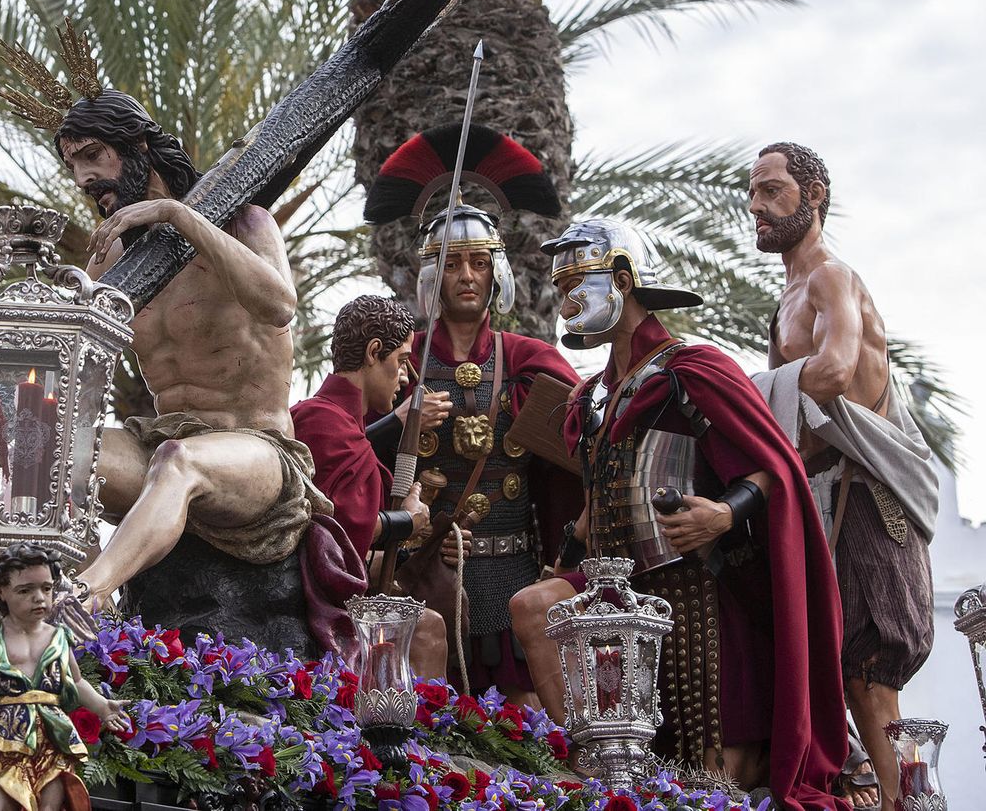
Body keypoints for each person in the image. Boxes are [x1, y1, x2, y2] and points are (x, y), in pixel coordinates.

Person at [509, 218, 848, 810]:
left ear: (622, 279)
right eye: (559, 288)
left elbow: (775, 466)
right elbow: (597, 502)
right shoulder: (592, 396)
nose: (565, 302)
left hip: (696, 587)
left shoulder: (693, 367)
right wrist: (561, 562)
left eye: (576, 285)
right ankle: (591, 770)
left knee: (716, 776)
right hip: (615, 587)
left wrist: (723, 512)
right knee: (532, 607)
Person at [1, 24, 333, 616]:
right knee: (37, 446)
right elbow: (73, 377)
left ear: (140, 149)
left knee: (178, 462)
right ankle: (46, 605)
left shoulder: (242, 223)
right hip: (160, 441)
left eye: (93, 157)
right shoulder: (119, 260)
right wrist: (73, 298)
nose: (83, 179)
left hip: (257, 455)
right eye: (73, 165)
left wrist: (181, 217)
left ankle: (89, 598)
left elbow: (279, 305)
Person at [748, 142, 938, 811]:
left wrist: (742, 387)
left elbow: (829, 374)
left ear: (815, 193)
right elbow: (783, 428)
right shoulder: (783, 302)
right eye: (753, 194)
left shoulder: (831, 276)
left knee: (866, 664)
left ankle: (902, 800)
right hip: (820, 495)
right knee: (825, 663)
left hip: (869, 488)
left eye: (772, 191)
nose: (757, 207)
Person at [363, 205, 581, 699]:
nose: (466, 276)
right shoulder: (401, 363)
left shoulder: (528, 358)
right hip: (422, 579)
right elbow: (347, 449)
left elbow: (584, 448)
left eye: (479, 262)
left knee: (532, 733)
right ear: (431, 275)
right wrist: (399, 420)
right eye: (452, 263)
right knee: (432, 728)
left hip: (513, 575)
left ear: (496, 272)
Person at [290, 294, 450, 678]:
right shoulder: (320, 418)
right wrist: (405, 521)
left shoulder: (344, 424)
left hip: (337, 592)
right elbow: (335, 527)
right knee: (427, 629)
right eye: (401, 362)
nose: (407, 377)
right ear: (374, 352)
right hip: (311, 604)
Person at [0, 543, 130, 811]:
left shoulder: (58, 637)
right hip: (6, 735)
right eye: (25, 590)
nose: (39, 598)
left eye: (46, 588)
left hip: (53, 737)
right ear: (1, 592)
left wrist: (102, 706)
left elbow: (75, 681)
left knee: (50, 805)